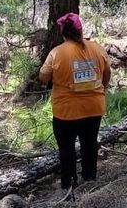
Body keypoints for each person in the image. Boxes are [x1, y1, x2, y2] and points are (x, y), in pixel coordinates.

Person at [39, 12, 112, 195]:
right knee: (89, 144)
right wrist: (101, 88)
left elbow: (43, 77)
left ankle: (68, 184)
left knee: (66, 149)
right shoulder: (98, 49)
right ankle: (90, 178)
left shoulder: (56, 53)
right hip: (94, 108)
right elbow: (107, 73)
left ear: (63, 32)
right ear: (81, 31)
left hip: (66, 112)